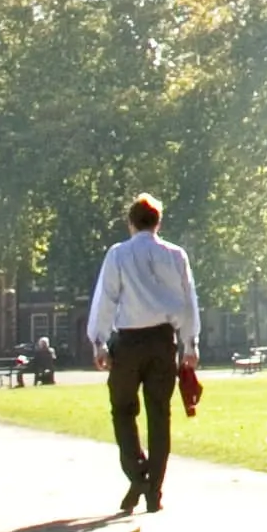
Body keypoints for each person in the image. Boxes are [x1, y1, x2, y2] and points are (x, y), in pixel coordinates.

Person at [86, 193, 200, 514]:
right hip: (164, 341)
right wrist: (190, 344)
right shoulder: (176, 255)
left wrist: (99, 340)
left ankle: (137, 473)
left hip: (129, 342)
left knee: (122, 409)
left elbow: (106, 298)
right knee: (159, 415)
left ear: (131, 222)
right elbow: (188, 302)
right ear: (158, 222)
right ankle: (155, 490)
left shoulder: (119, 254)